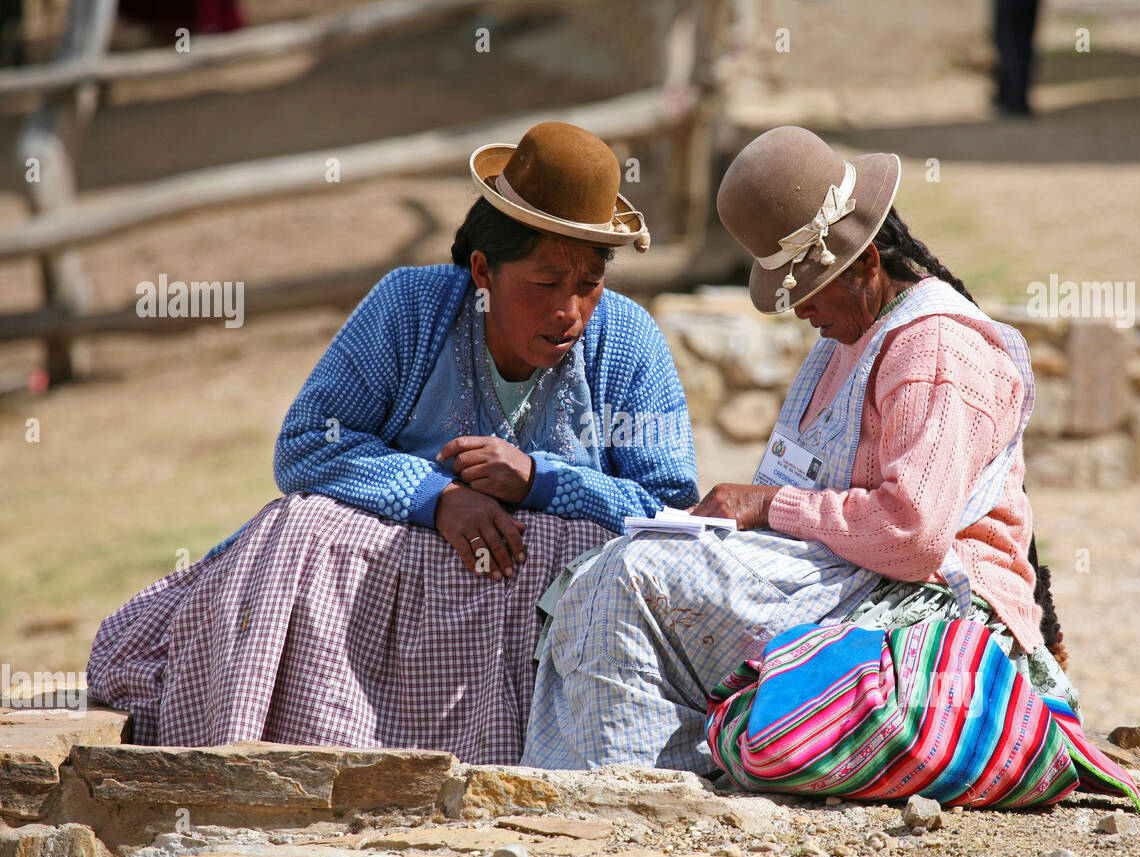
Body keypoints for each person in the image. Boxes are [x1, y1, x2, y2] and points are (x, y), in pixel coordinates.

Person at [522, 127, 1139, 811]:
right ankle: (633, 782)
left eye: (809, 287)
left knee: (636, 580)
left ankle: (635, 796)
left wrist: (766, 507)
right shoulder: (847, 339)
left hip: (930, 604)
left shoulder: (936, 348)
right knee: (605, 568)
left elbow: (912, 534)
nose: (801, 307)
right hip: (852, 577)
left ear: (868, 262)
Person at [86, 121, 698, 764]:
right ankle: (311, 760)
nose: (570, 311)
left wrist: (542, 481)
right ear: (484, 270)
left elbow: (669, 508)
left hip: (534, 613)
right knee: (305, 525)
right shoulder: (409, 308)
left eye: (589, 283)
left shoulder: (628, 340)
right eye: (545, 284)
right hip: (386, 597)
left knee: (579, 544)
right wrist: (435, 499)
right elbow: (306, 444)